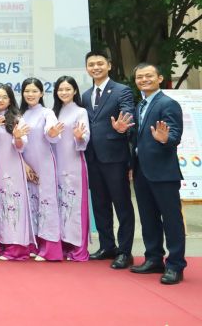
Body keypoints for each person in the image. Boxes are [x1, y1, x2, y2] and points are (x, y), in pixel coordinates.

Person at [112, 63, 185, 285]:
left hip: (163, 172)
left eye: (149, 76)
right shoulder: (140, 105)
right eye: (140, 77)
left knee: (171, 220)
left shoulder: (168, 103)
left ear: (159, 78)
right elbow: (137, 136)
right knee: (148, 218)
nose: (144, 80)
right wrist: (123, 131)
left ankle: (175, 265)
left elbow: (174, 134)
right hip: (141, 171)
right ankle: (154, 258)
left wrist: (166, 139)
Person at [81, 51, 135, 269]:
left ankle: (125, 251)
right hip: (92, 158)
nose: (95, 67)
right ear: (87, 68)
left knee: (122, 205)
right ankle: (107, 247)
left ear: (109, 66)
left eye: (100, 63)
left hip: (115, 158)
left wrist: (123, 127)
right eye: (91, 64)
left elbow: (128, 113)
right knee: (100, 205)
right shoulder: (86, 95)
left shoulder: (122, 90)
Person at [0, 84, 35, 261]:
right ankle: (2, 243)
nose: (0, 100)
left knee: (13, 204)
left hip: (12, 167)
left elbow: (21, 146)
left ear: (10, 100)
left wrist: (17, 138)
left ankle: (17, 248)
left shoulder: (17, 118)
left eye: (4, 97)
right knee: (0, 205)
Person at [20, 77, 62, 261]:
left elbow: (52, 133)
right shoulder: (21, 114)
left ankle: (49, 249)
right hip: (25, 164)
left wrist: (52, 132)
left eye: (34, 91)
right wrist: (24, 165)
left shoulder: (47, 113)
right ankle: (33, 244)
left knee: (46, 203)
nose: (30, 94)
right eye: (27, 91)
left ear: (41, 93)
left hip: (44, 164)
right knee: (31, 203)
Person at [52, 76, 90, 261]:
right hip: (56, 162)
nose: (64, 92)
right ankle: (64, 245)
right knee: (61, 204)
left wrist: (79, 136)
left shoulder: (80, 112)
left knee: (74, 205)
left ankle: (78, 249)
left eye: (68, 89)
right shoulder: (54, 112)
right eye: (60, 89)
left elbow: (85, 137)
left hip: (73, 163)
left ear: (75, 91)